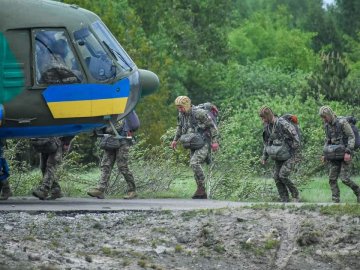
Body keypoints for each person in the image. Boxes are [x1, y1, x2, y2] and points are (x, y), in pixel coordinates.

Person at [170, 96, 219, 199]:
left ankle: (201, 186)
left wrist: (215, 142)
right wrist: (175, 140)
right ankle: (201, 192)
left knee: (194, 162)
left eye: (181, 107)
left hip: (204, 141)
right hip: (193, 143)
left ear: (187, 105)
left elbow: (212, 127)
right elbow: (179, 127)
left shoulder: (199, 113)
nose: (180, 109)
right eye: (178, 107)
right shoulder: (181, 114)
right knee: (193, 165)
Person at [87, 111, 139, 199]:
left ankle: (132, 190)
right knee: (106, 165)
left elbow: (130, 126)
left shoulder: (126, 110)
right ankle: (100, 190)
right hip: (110, 140)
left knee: (122, 166)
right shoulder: (109, 110)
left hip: (123, 140)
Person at [319, 106, 360, 203]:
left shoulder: (342, 122)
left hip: (345, 153)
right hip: (334, 154)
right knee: (332, 178)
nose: (324, 119)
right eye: (322, 117)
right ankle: (335, 201)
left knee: (344, 179)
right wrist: (324, 154)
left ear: (329, 114)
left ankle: (358, 192)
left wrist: (348, 152)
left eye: (325, 117)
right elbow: (328, 140)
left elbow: (351, 136)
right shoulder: (327, 125)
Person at [259, 106, 300, 202]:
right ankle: (284, 199)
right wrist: (264, 157)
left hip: (290, 155)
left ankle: (296, 195)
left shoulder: (283, 124)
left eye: (263, 118)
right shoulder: (268, 127)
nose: (262, 120)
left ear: (268, 116)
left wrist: (294, 154)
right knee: (276, 177)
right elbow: (267, 143)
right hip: (279, 156)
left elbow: (296, 139)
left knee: (283, 175)